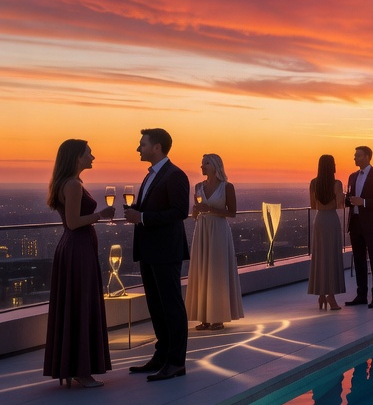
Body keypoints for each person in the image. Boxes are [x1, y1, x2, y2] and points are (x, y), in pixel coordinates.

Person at [43, 139, 115, 388]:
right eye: (89, 153)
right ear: (76, 158)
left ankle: (76, 367)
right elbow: (73, 223)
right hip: (78, 249)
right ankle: (83, 372)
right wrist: (101, 215)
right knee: (83, 304)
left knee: (75, 304)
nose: (92, 157)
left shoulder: (67, 183)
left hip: (74, 248)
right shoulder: (73, 184)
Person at [124, 128, 191, 382]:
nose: (138, 148)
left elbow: (179, 212)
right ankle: (161, 355)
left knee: (171, 306)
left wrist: (141, 217)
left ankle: (176, 362)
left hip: (165, 251)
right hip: (150, 250)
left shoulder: (175, 175)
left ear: (157, 147)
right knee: (156, 305)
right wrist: (136, 211)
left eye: (142, 144)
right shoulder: (152, 175)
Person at [187, 153, 243, 331]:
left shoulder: (227, 187)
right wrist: (196, 211)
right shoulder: (197, 187)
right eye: (202, 163)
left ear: (216, 166)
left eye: (206, 163)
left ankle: (218, 316)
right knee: (202, 271)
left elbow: (232, 212)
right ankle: (204, 317)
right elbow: (195, 214)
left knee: (217, 271)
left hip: (219, 231)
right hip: (202, 230)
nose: (202, 166)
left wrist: (209, 209)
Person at [346, 145, 373, 308]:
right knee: (359, 260)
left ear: (367, 157)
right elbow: (350, 198)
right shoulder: (352, 176)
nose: (354, 158)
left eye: (357, 155)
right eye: (354, 155)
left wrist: (363, 202)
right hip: (355, 223)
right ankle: (361, 295)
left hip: (372, 224)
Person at [308, 155, 346, 310]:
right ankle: (331, 296)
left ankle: (321, 295)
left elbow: (313, 205)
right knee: (331, 257)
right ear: (332, 166)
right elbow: (339, 206)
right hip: (331, 220)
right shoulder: (337, 184)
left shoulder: (313, 183)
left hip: (319, 221)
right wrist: (343, 197)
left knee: (320, 257)